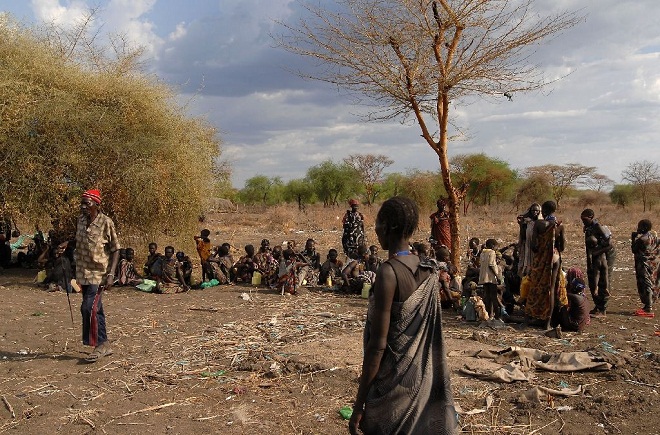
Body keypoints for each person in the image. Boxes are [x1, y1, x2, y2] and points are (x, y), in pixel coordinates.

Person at [349, 196, 456, 435]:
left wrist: (359, 406)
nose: (375, 229)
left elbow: (378, 346)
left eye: (377, 222)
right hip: (421, 381)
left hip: (393, 389)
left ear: (388, 226)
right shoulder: (428, 269)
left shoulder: (388, 272)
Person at [74, 189, 120, 363]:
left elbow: (116, 248)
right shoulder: (80, 221)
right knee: (95, 308)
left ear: (96, 204)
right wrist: (66, 245)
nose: (83, 206)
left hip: (99, 274)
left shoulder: (106, 222)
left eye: (87, 203)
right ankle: (104, 343)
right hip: (82, 272)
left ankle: (98, 344)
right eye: (82, 202)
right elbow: (80, 242)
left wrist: (111, 274)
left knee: (89, 308)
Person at [524, 201, 568, 329]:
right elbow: (562, 247)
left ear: (543, 210)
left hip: (542, 259)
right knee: (552, 289)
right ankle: (548, 323)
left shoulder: (539, 224)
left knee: (535, 288)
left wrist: (542, 249)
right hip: (555, 258)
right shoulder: (559, 225)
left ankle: (528, 319)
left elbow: (533, 246)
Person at [580, 209, 615, 316]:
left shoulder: (598, 227)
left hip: (603, 256)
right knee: (592, 279)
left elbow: (610, 245)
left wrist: (596, 253)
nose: (583, 221)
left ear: (591, 217)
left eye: (585, 219)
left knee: (603, 281)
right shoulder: (589, 227)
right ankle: (598, 305)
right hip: (593, 257)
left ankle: (602, 308)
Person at [632, 219, 660, 317]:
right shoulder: (654, 236)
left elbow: (634, 250)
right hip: (653, 264)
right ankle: (648, 305)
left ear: (644, 228)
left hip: (644, 264)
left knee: (646, 284)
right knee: (652, 282)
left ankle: (648, 308)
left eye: (639, 226)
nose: (638, 228)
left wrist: (633, 238)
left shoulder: (642, 239)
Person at [555, 267, 590, 332]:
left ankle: (553, 323)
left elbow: (562, 295)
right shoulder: (583, 297)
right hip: (580, 325)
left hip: (574, 326)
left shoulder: (575, 297)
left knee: (561, 307)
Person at [479, 239, 502, 320]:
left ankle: (488, 314)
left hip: (484, 277)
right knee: (494, 297)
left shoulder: (483, 252)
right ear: (492, 246)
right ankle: (497, 316)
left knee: (487, 296)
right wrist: (497, 276)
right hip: (491, 277)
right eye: (496, 247)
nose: (496, 249)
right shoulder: (491, 252)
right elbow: (491, 265)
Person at [517, 203, 541, 277]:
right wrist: (521, 224)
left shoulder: (541, 223)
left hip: (536, 248)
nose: (534, 212)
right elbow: (523, 235)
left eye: (536, 210)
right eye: (533, 210)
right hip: (527, 247)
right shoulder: (527, 222)